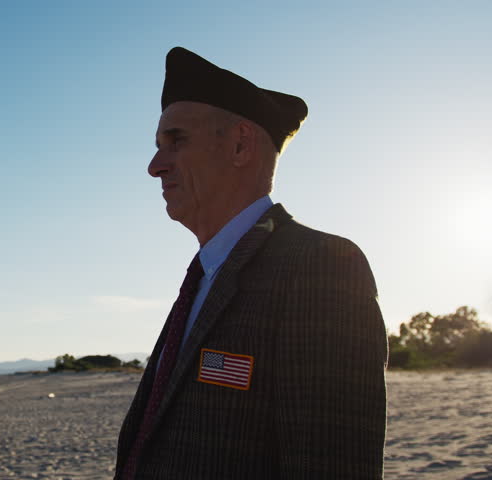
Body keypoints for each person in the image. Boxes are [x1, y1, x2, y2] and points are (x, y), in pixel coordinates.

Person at [114, 47, 387, 479]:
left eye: (176, 140)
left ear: (241, 144)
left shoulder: (320, 266)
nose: (154, 166)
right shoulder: (205, 274)